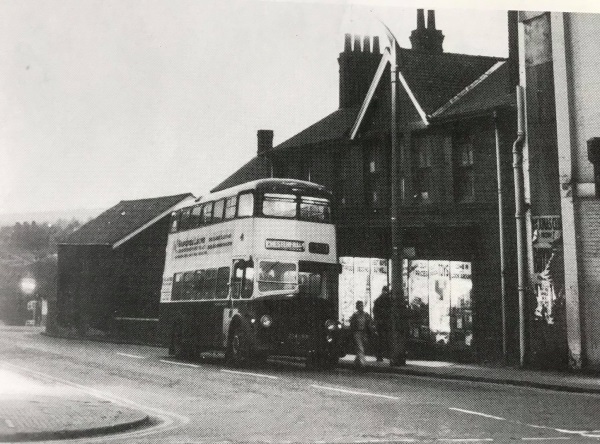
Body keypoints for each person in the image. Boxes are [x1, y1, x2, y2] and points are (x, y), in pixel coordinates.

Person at [349, 300, 373, 370]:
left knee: (360, 349)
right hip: (357, 333)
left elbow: (369, 323)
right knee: (360, 348)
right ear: (357, 307)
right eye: (359, 306)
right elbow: (352, 325)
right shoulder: (355, 315)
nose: (361, 307)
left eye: (362, 306)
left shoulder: (366, 314)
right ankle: (363, 364)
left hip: (364, 333)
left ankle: (356, 363)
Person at [373, 286, 392, 362]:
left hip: (383, 322)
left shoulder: (381, 300)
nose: (386, 293)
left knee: (383, 339)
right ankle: (380, 355)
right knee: (382, 339)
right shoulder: (380, 300)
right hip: (382, 322)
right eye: (385, 291)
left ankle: (381, 355)